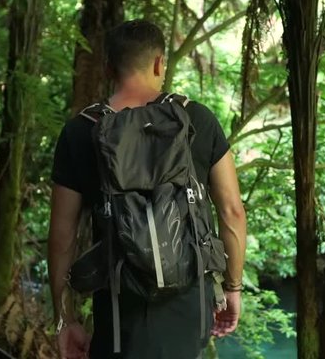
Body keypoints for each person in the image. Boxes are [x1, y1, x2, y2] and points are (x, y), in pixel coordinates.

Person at [47, 19, 246, 359]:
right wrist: (233, 287)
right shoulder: (196, 119)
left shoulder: (80, 132)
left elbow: (61, 236)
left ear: (109, 67)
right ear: (158, 63)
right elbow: (232, 212)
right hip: (187, 305)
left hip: (118, 311)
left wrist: (65, 319)